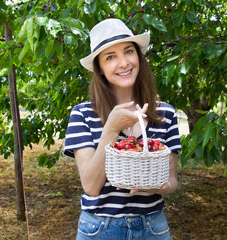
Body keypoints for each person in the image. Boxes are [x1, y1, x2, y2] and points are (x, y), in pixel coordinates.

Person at [64, 18, 181, 239]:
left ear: (138, 56)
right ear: (99, 68)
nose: (124, 63)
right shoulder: (82, 114)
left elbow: (172, 180)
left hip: (152, 227)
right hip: (100, 229)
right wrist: (111, 128)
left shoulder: (166, 113)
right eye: (110, 57)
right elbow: (90, 186)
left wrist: (160, 187)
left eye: (128, 51)